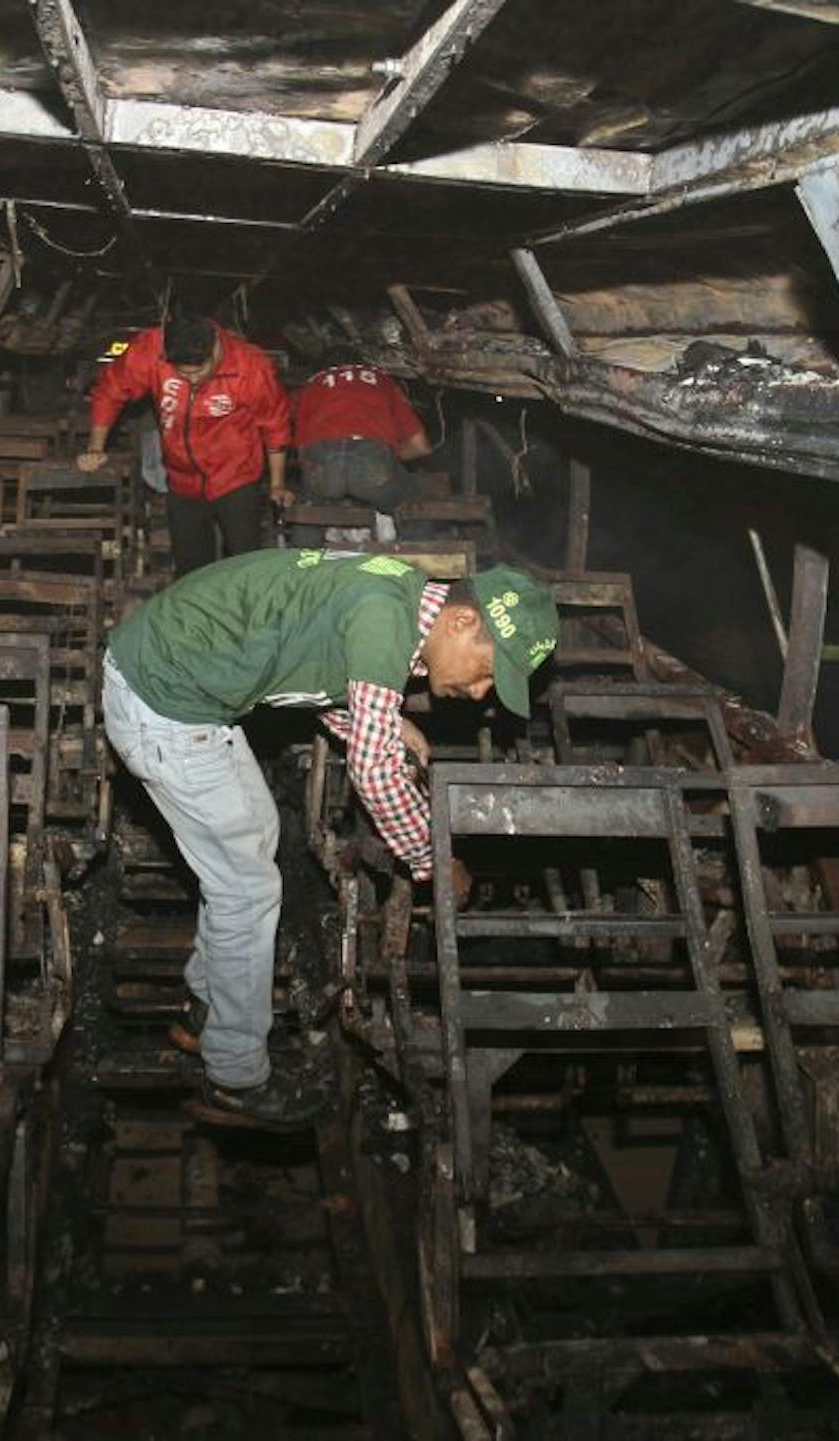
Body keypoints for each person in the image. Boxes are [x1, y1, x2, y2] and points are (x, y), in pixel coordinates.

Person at [103, 549, 559, 1129]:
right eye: (488, 671)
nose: (479, 693)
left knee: (256, 837)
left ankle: (207, 1004)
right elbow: (373, 773)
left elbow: (314, 663)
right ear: (463, 621)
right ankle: (235, 1077)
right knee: (246, 889)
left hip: (175, 679)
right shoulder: (382, 619)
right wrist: (433, 860)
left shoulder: (400, 595)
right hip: (163, 703)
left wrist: (384, 720)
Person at [79, 311, 289, 577]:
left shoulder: (250, 366)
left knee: (244, 564)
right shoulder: (150, 350)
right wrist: (96, 448)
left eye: (199, 371)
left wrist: (277, 484)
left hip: (236, 476)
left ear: (214, 350)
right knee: (190, 570)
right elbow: (110, 391)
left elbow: (275, 425)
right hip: (181, 479)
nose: (192, 380)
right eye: (182, 373)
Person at [289, 355, 432, 546]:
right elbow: (421, 447)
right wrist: (388, 460)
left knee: (308, 511)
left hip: (326, 466)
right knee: (413, 506)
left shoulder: (312, 386)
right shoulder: (382, 381)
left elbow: (303, 455)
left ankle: (302, 558)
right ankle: (419, 558)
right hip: (372, 462)